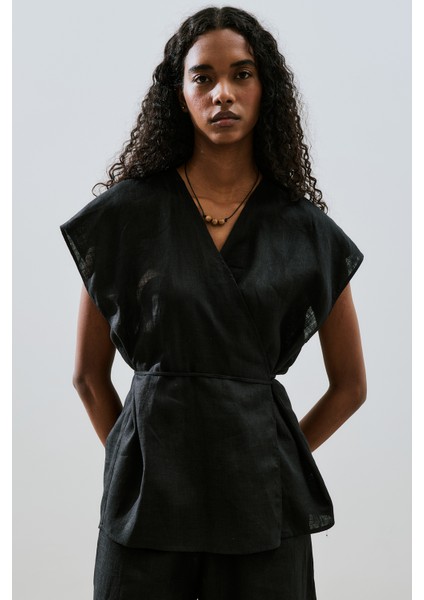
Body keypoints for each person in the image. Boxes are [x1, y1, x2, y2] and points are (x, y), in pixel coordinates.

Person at [60, 6, 367, 599]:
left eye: (241, 74)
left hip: (261, 506)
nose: (222, 92)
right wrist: (135, 459)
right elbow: (88, 377)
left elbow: (350, 385)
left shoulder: (306, 231)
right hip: (146, 505)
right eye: (203, 77)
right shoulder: (126, 216)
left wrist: (274, 459)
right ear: (179, 95)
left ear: (264, 89)